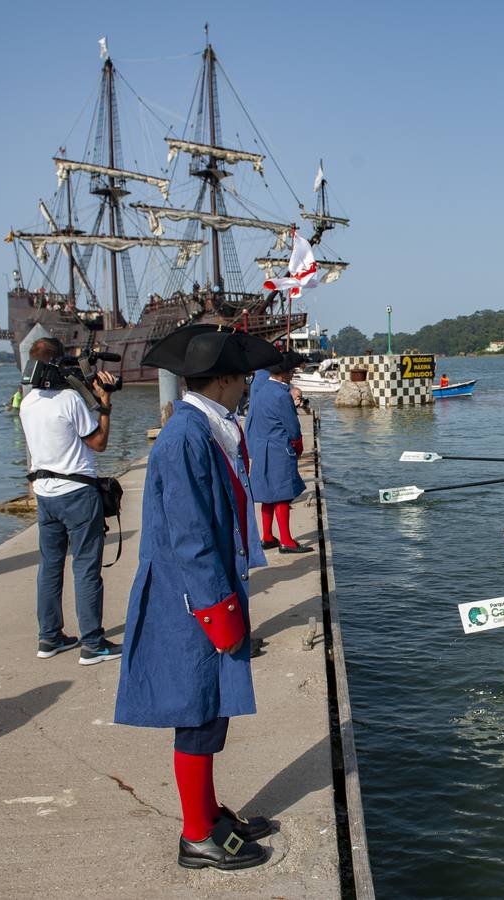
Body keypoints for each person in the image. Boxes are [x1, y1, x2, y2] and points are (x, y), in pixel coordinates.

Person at [114, 324, 282, 872]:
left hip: (204, 590)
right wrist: (217, 609)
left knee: (209, 708)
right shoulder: (187, 437)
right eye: (243, 378)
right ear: (224, 380)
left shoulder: (203, 427)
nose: (247, 386)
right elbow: (190, 535)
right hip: (192, 597)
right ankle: (195, 835)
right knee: (197, 711)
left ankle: (207, 813)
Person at [19, 337, 121, 665]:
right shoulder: (69, 401)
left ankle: (49, 637)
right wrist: (104, 403)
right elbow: (99, 443)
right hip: (77, 494)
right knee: (86, 567)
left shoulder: (27, 402)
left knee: (50, 567)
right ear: (58, 363)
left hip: (45, 494)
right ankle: (93, 643)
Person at [247, 350, 311, 553]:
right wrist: (298, 445)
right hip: (278, 449)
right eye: (291, 372)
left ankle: (267, 536)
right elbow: (292, 427)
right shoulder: (282, 395)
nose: (292, 375)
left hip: (261, 447)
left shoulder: (261, 389)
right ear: (283, 374)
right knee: (282, 494)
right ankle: (286, 541)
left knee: (267, 494)